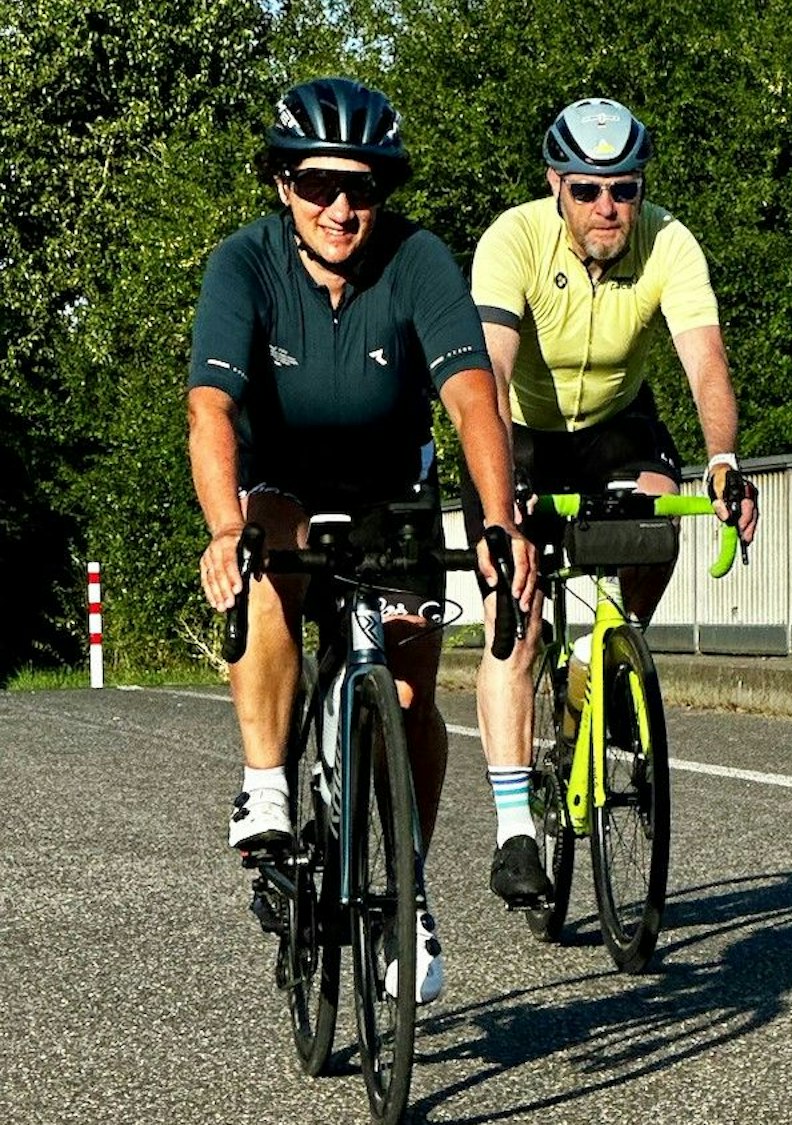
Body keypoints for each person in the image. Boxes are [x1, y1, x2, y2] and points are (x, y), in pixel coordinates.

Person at [190, 77, 536, 1004]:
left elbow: (472, 400)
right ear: (281, 185)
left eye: (364, 187)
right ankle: (266, 781)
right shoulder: (244, 264)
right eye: (317, 185)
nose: (342, 207)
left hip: (393, 491)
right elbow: (211, 407)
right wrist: (225, 527)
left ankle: (406, 884)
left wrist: (498, 522)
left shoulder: (418, 259)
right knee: (265, 549)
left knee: (414, 686)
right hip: (283, 485)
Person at [465, 97, 759, 907]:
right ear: (556, 184)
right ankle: (515, 828)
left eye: (623, 190)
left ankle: (609, 659)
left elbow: (705, 365)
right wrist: (502, 503)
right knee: (516, 613)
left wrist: (724, 460)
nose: (607, 208)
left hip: (615, 425)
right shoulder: (513, 239)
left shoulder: (669, 240)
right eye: (588, 190)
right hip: (518, 426)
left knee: (655, 523)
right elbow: (485, 373)